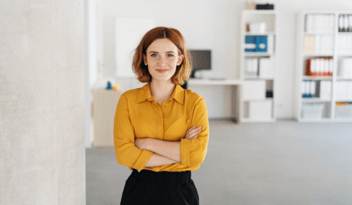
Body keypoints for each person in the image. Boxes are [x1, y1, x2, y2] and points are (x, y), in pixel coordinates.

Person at [113, 26, 209, 205]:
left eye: (170, 55)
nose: (162, 62)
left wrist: (146, 143)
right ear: (145, 59)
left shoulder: (195, 103)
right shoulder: (128, 100)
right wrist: (181, 153)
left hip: (181, 192)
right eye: (154, 54)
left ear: (180, 59)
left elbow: (197, 157)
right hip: (139, 190)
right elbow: (124, 154)